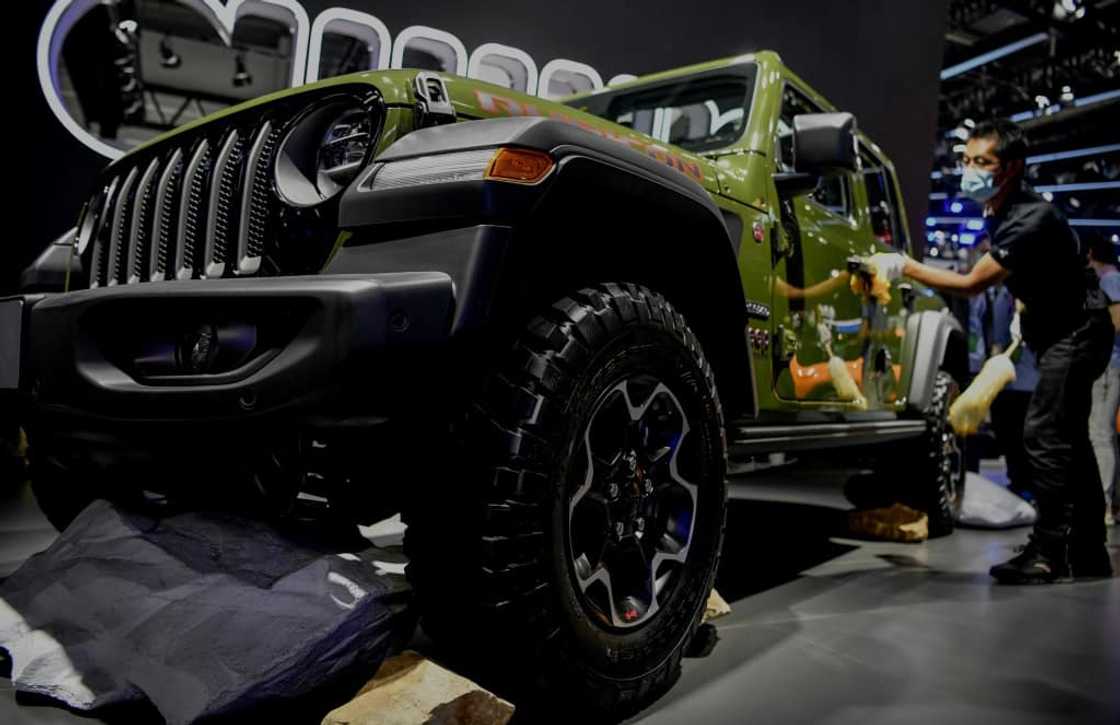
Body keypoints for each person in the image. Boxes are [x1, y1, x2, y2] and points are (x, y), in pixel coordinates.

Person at [869, 118, 1113, 584]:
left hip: (1079, 331)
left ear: (1012, 168)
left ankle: (1049, 551)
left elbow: (972, 282)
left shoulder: (1029, 215)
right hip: (1063, 329)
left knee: (1044, 434)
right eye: (965, 160)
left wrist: (903, 265)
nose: (970, 170)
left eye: (983, 162)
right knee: (1071, 440)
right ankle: (1087, 552)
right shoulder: (1001, 214)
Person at [1086, 235, 1120, 525]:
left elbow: (1118, 322)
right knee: (1103, 434)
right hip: (1108, 364)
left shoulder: (1110, 282)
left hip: (1109, 365)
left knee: (1100, 433)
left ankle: (1104, 504)